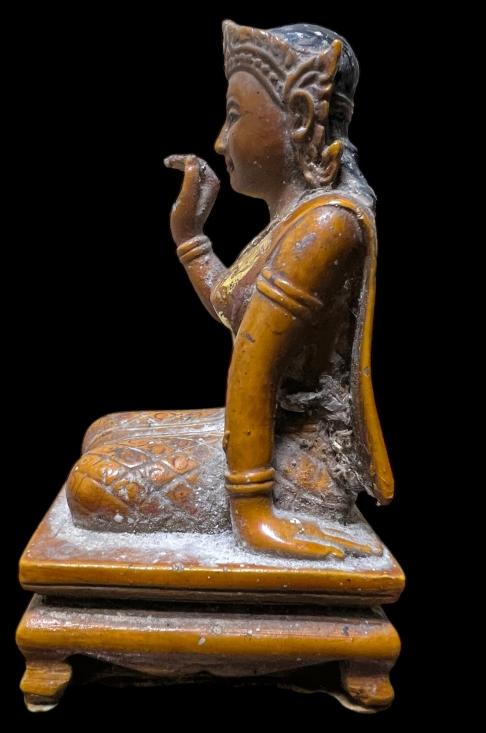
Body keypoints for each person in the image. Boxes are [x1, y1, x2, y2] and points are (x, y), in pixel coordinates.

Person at [66, 21, 394, 560]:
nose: (220, 140)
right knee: (102, 431)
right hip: (273, 431)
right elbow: (233, 308)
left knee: (91, 481)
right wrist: (190, 238)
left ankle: (266, 507)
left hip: (304, 464)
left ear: (300, 118)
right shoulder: (296, 219)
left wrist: (255, 516)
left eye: (234, 115)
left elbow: (253, 367)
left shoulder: (326, 226)